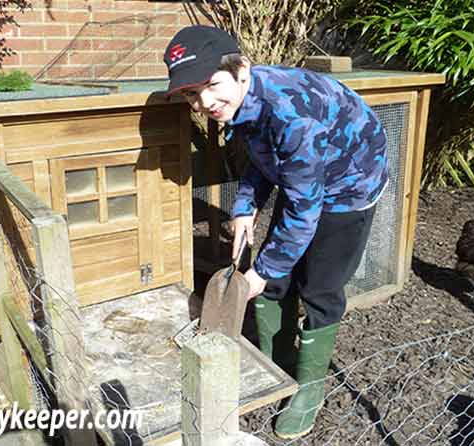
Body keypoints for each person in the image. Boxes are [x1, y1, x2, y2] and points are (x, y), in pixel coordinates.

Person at [163, 25, 388, 439]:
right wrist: (246, 207)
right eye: (192, 94)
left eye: (211, 85)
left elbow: (303, 209)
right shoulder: (245, 101)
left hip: (351, 183)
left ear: (241, 70)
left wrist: (259, 273)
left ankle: (310, 388)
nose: (204, 102)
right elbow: (267, 158)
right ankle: (275, 364)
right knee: (276, 277)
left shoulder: (292, 113)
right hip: (308, 176)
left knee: (319, 286)